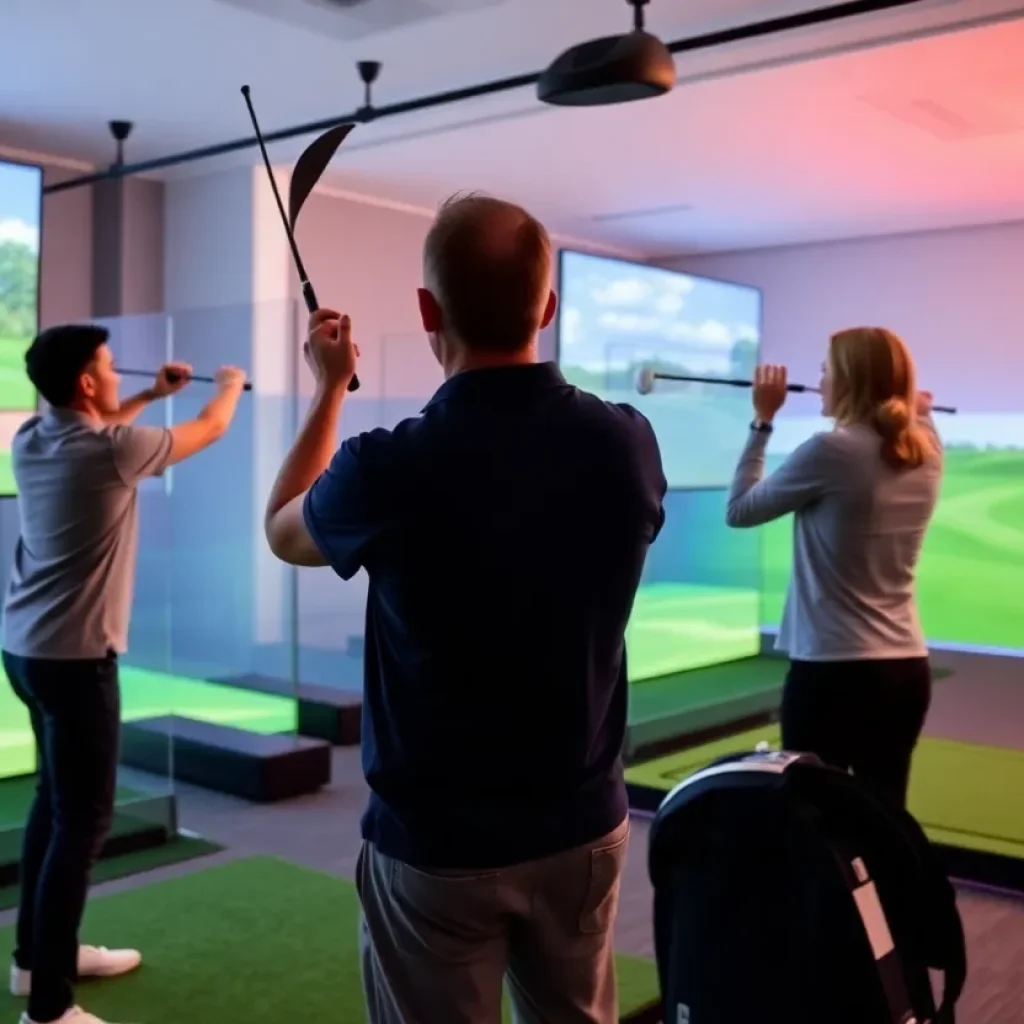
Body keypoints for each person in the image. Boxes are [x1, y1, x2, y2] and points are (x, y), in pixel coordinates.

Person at [264, 194, 667, 1024]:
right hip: (585, 828)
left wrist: (330, 388)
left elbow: (282, 529)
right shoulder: (628, 442)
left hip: (437, 848)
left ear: (425, 311)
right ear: (548, 308)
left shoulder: (388, 467)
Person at [2, 323, 248, 1024]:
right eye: (108, 366)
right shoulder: (111, 453)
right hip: (76, 662)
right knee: (82, 823)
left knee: (53, 805)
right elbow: (210, 428)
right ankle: (50, 1008)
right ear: (85, 382)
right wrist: (227, 386)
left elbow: (106, 426)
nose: (113, 375)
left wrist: (148, 391)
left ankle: (35, 962)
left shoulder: (33, 438)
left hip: (24, 651)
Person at [725, 326, 943, 810]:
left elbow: (739, 510)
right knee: (884, 822)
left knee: (817, 826)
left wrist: (762, 421)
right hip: (905, 670)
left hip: (834, 674)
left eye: (826, 370)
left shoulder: (831, 451)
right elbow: (913, 417)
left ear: (849, 380)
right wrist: (916, 404)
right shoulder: (928, 446)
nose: (819, 381)